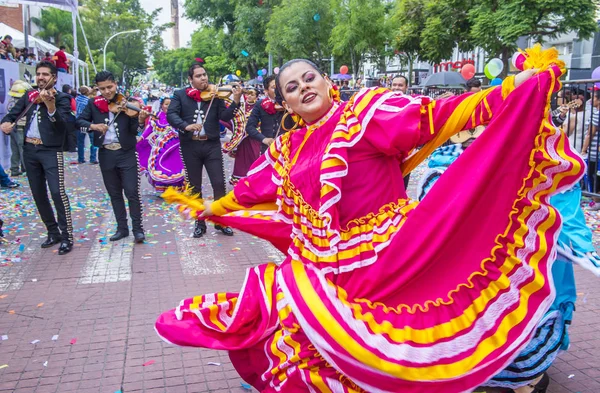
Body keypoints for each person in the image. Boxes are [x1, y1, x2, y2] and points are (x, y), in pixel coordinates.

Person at [156, 47, 580, 392]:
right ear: (283, 102)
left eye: (309, 78)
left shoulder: (364, 115)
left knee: (398, 348)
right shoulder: (285, 151)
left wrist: (511, 88)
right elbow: (251, 191)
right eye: (292, 86)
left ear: (326, 83)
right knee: (301, 332)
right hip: (322, 265)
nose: (303, 87)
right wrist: (211, 207)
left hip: (389, 258)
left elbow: (441, 116)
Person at [0, 61, 74, 255]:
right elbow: (12, 114)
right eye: (38, 74)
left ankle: (67, 236)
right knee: (38, 194)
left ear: (54, 78)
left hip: (50, 151)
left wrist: (51, 107)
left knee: (57, 193)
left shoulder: (62, 98)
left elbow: (63, 126)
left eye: (45, 74)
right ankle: (53, 232)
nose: (40, 77)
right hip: (29, 151)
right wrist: (6, 123)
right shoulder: (30, 95)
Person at [166, 61, 242, 238]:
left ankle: (220, 221)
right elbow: (171, 115)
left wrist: (236, 101)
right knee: (195, 186)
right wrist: (186, 126)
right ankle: (199, 223)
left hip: (211, 145)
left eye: (204, 75)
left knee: (218, 183)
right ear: (190, 79)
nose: (203, 78)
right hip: (190, 146)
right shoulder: (180, 95)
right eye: (199, 76)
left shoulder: (215, 95)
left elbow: (224, 116)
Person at [76, 71, 148, 243]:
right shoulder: (94, 103)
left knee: (132, 192)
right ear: (97, 89)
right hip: (106, 153)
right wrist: (93, 126)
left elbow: (134, 131)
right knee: (115, 193)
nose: (107, 92)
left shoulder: (127, 104)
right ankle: (122, 229)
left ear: (115, 84)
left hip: (126, 152)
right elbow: (79, 122)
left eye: (110, 87)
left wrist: (140, 121)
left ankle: (138, 229)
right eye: (103, 89)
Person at [136, 96, 185, 193]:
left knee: (172, 167)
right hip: (157, 147)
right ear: (162, 105)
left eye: (171, 104)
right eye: (166, 104)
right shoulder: (156, 116)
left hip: (173, 147)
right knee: (157, 166)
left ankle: (174, 190)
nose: (168, 106)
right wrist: (141, 138)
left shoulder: (178, 116)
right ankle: (162, 190)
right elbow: (149, 128)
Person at [223, 87, 261, 185]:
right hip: (242, 138)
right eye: (248, 94)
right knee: (241, 160)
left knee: (254, 157)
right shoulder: (241, 106)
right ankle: (240, 181)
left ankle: (254, 180)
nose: (249, 96)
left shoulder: (259, 107)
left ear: (257, 97)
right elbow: (233, 120)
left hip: (254, 138)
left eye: (252, 94)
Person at [246, 75, 285, 154]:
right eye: (274, 87)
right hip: (267, 149)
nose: (278, 90)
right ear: (266, 90)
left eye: (280, 86)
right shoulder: (260, 104)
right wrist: (264, 139)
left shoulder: (290, 103)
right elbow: (250, 127)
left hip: (287, 148)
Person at [7, 80, 32, 177]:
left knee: (15, 150)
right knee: (23, 150)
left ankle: (14, 169)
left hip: (12, 128)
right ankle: (26, 169)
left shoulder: (11, 101)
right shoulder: (22, 104)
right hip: (21, 128)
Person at [75, 86, 98, 164]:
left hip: (79, 122)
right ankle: (93, 158)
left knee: (80, 141)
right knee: (93, 141)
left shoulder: (76, 99)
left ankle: (80, 158)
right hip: (89, 123)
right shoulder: (89, 101)